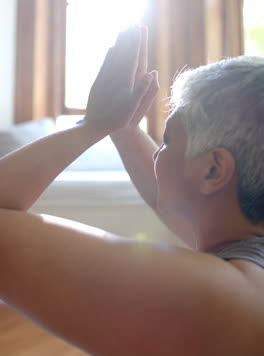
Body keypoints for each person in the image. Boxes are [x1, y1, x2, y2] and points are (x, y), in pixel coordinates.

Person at [0, 25, 264, 356]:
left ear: (213, 170)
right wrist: (123, 127)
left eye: (168, 139)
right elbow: (162, 195)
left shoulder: (218, 297)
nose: (157, 152)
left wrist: (91, 126)